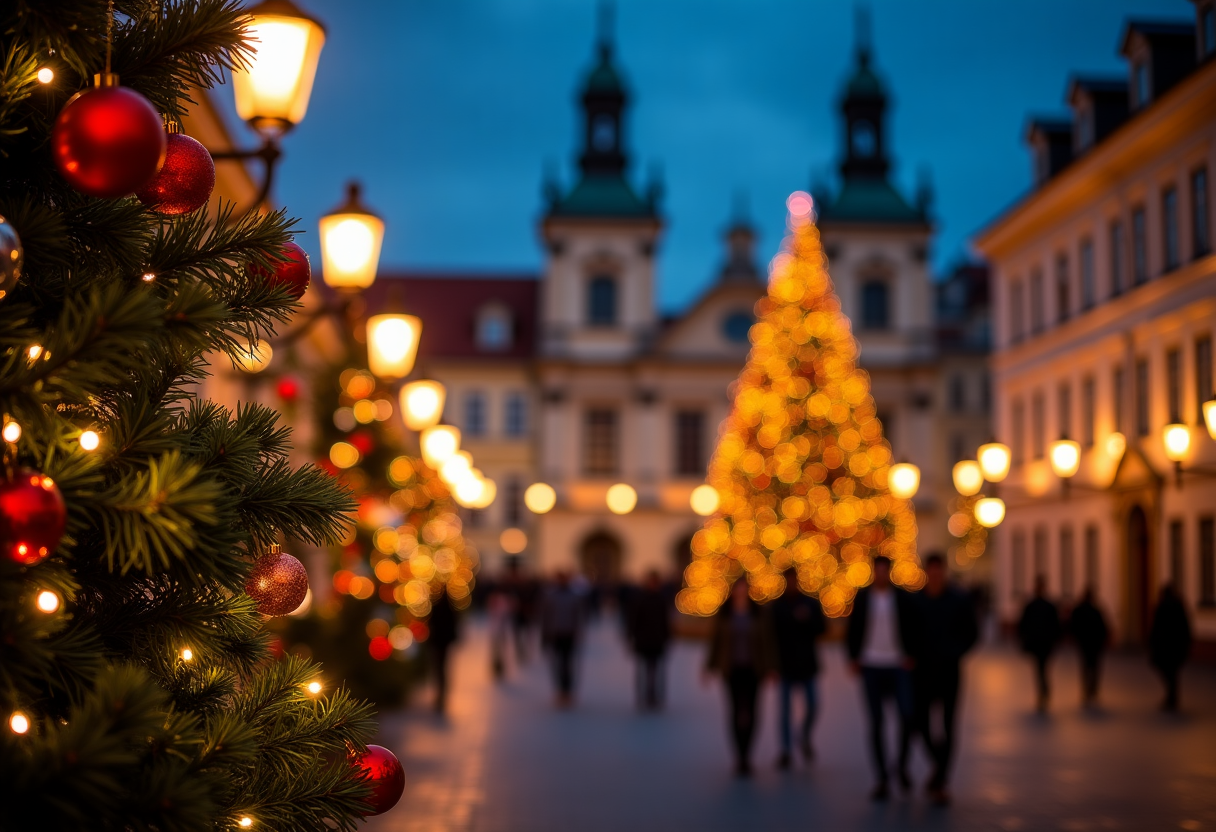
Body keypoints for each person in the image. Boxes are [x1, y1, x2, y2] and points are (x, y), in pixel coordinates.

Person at [846, 556, 919, 801]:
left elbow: (913, 626)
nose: (881, 575)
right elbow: (853, 628)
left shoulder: (901, 598)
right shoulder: (863, 597)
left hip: (898, 664)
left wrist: (911, 655)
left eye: (884, 571)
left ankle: (901, 765)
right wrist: (854, 658)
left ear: (889, 572)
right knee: (876, 721)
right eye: (877, 571)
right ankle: (881, 777)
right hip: (871, 665)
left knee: (907, 716)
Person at [909, 553, 978, 806]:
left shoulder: (958, 600)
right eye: (932, 569)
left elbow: (972, 633)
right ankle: (939, 767)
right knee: (921, 723)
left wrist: (954, 652)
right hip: (923, 673)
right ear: (927, 571)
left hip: (949, 673)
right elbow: (907, 632)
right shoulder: (916, 602)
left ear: (944, 571)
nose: (936, 574)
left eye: (939, 569)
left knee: (949, 725)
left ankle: (941, 779)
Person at [705, 580, 776, 777]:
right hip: (732, 670)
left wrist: (771, 667)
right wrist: (709, 667)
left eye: (744, 590)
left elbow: (768, 642)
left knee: (752, 711)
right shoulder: (725, 613)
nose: (741, 593)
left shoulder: (758, 613)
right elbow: (716, 641)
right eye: (738, 590)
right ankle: (739, 755)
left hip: (754, 670)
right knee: (735, 711)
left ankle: (748, 752)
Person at [771, 569, 826, 769]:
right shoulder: (777, 607)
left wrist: (807, 619)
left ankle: (804, 735)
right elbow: (771, 637)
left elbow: (822, 628)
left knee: (813, 705)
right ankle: (786, 750)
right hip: (785, 666)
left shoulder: (810, 604)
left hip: (807, 665)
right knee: (784, 711)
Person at [626, 570, 672, 710]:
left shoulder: (660, 600)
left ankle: (652, 695)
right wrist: (631, 636)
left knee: (654, 670)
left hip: (656, 640)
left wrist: (666, 637)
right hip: (644, 640)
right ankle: (643, 695)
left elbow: (665, 621)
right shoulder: (642, 599)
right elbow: (633, 620)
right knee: (643, 670)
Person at [1017, 576, 1061, 713]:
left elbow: (1023, 625)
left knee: (1040, 668)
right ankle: (1044, 690)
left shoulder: (1032, 605)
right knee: (1042, 667)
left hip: (1038, 643)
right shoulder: (1047, 606)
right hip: (1044, 643)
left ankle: (1043, 691)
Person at [540, 570, 583, 707]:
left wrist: (578, 632)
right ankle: (560, 690)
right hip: (555, 633)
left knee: (567, 663)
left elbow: (579, 616)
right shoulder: (550, 596)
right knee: (557, 664)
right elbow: (545, 617)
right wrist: (544, 635)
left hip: (569, 634)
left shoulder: (574, 596)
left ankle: (567, 690)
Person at [1148, 584, 1192, 713]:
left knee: (1167, 671)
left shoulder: (1161, 607)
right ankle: (1172, 696)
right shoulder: (1179, 607)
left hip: (1164, 646)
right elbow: (1185, 627)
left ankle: (1171, 696)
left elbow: (1155, 628)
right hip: (1176, 646)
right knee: (1173, 672)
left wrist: (1152, 643)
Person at [1068, 587, 1109, 707]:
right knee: (1094, 667)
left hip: (1084, 643)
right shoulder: (1096, 610)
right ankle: (1093, 689)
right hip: (1095, 643)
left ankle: (1087, 690)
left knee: (1086, 667)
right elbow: (1103, 626)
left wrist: (1074, 637)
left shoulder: (1079, 610)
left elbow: (1073, 625)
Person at [428, 588, 461, 714]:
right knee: (442, 668)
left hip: (437, 642)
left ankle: (440, 693)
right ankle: (442, 693)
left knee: (438, 668)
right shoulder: (450, 608)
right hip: (443, 642)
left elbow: (431, 624)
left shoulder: (436, 607)